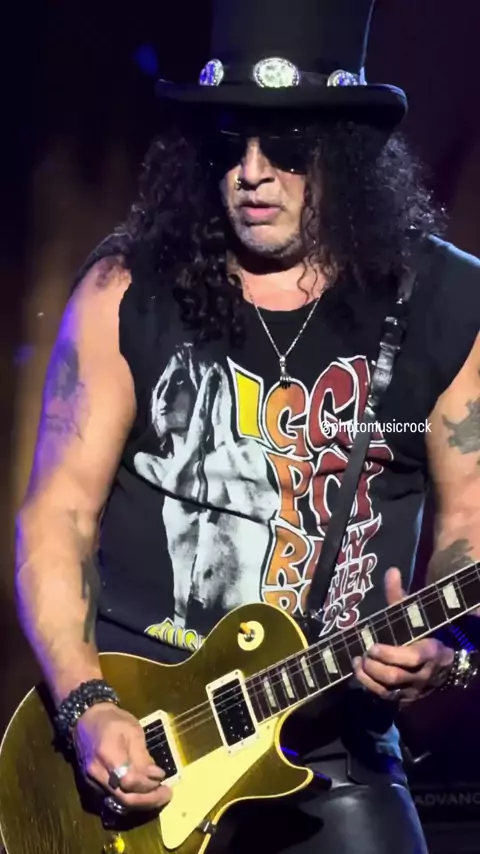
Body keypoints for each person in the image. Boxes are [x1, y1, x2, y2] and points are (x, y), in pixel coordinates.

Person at [14, 0, 480, 851]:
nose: (252, 173)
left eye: (288, 148)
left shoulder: (444, 302)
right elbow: (58, 514)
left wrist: (444, 653)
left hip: (331, 742)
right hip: (138, 732)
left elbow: (467, 531)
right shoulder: (127, 288)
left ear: (344, 149)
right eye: (230, 145)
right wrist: (86, 705)